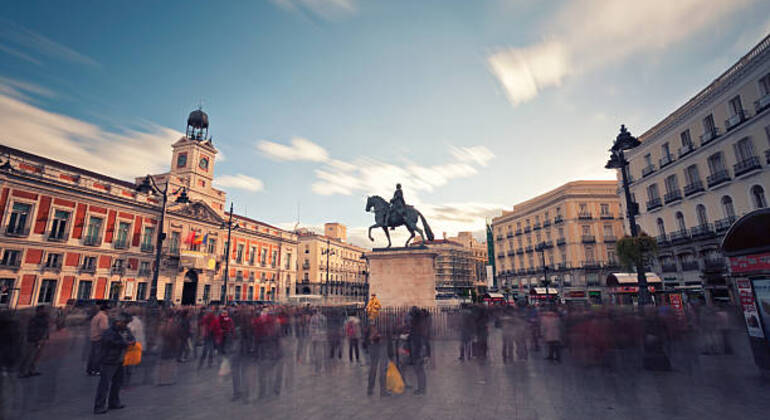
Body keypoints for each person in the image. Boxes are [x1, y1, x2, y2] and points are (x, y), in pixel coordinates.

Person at [93, 313, 134, 414]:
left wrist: (131, 341)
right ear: (118, 321)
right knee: (105, 384)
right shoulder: (109, 331)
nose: (126, 325)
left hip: (120, 359)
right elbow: (110, 342)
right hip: (109, 360)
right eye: (125, 322)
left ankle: (114, 402)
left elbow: (131, 338)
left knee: (117, 382)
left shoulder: (125, 330)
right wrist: (125, 343)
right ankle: (99, 406)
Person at [18, 305, 49, 378]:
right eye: (43, 310)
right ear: (38, 311)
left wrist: (44, 338)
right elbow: (32, 330)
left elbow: (45, 329)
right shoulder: (35, 319)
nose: (45, 311)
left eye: (44, 310)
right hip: (33, 340)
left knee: (36, 356)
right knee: (28, 355)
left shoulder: (44, 318)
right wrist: (36, 339)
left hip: (41, 340)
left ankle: (31, 370)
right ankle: (22, 372)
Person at [408, 308, 430, 394]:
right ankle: (422, 388)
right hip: (420, 351)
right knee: (420, 370)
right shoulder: (421, 325)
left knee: (419, 370)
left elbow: (416, 340)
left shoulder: (416, 326)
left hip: (418, 351)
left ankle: (421, 389)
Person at [366, 319, 388, 397]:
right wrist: (378, 335)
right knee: (377, 369)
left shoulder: (376, 321)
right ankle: (381, 390)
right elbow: (371, 337)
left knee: (376, 368)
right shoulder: (374, 323)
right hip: (376, 347)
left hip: (378, 346)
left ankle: (374, 389)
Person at [87, 304, 110, 376]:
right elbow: (104, 328)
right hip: (99, 337)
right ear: (106, 310)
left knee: (92, 354)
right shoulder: (103, 317)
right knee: (99, 355)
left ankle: (90, 369)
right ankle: (97, 370)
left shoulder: (96, 316)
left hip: (93, 336)